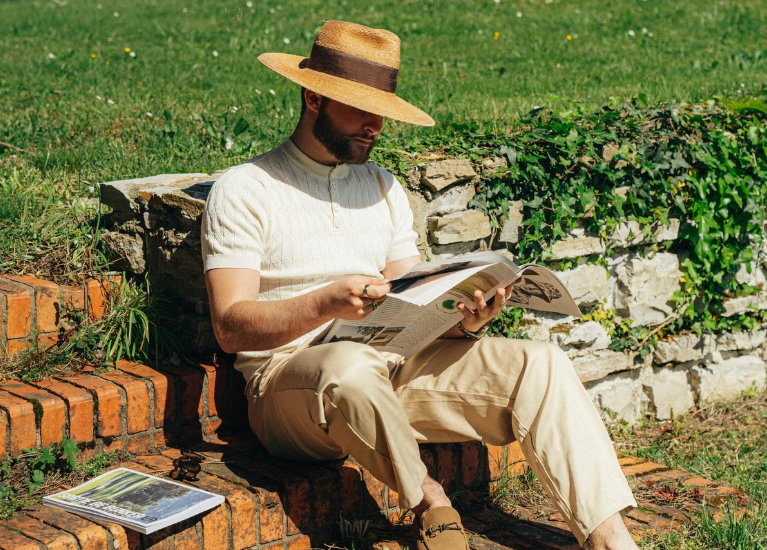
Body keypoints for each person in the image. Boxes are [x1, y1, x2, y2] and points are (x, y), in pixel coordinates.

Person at [201, 20, 639, 550]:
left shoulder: (383, 186)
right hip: (288, 388)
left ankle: (612, 540)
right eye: (361, 108)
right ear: (313, 97)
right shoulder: (245, 189)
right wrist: (326, 302)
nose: (375, 125)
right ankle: (433, 505)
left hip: (389, 368)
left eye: (381, 111)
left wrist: (462, 320)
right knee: (348, 365)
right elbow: (230, 327)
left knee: (540, 364)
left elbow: (411, 304)